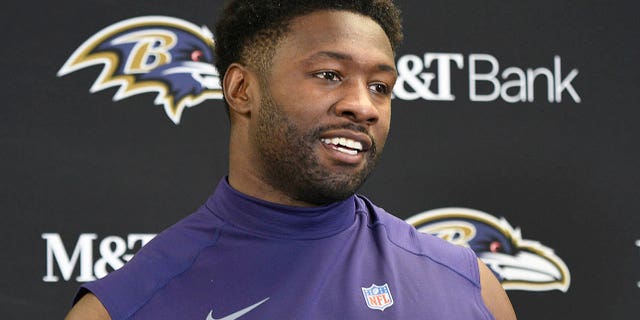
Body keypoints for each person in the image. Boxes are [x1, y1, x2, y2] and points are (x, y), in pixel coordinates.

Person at [66, 0, 516, 319]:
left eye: (380, 85)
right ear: (242, 90)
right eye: (329, 75)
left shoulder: (470, 286)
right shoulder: (126, 307)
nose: (364, 106)